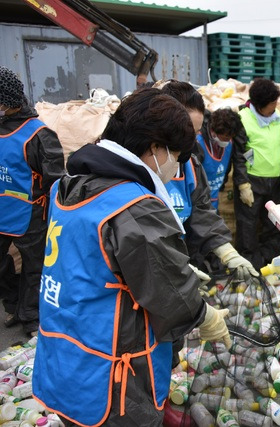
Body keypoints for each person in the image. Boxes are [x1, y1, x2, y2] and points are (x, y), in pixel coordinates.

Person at [32, 88, 232, 425]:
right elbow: (167, 291)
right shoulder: (134, 206)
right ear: (154, 148)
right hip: (112, 366)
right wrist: (203, 315)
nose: (177, 167)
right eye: (177, 156)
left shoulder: (70, 184)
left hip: (66, 347)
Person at [161, 81, 257, 279]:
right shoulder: (145, 169)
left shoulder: (190, 164)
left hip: (191, 235)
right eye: (189, 131)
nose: (194, 138)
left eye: (196, 132)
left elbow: (200, 209)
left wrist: (226, 251)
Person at [0, 66, 65, 336]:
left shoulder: (39, 135)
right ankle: (13, 306)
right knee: (4, 267)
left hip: (30, 215)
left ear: (10, 101)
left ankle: (30, 317)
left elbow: (56, 179)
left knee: (34, 268)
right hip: (2, 212)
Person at [233, 78, 280, 267]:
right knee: (247, 225)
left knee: (274, 223)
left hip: (275, 180)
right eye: (272, 103)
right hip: (252, 180)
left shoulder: (278, 117)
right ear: (259, 104)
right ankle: (249, 264)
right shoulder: (243, 119)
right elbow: (239, 154)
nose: (275, 106)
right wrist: (242, 184)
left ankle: (268, 260)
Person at [196, 108, 243, 211]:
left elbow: (227, 166)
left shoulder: (229, 143)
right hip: (198, 202)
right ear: (214, 131)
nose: (228, 140)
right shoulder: (198, 144)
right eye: (226, 137)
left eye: (230, 137)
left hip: (213, 199)